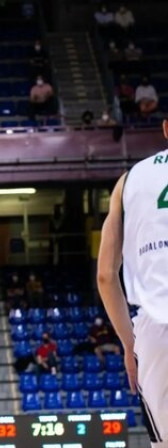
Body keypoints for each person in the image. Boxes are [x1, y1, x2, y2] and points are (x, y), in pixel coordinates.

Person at [97, 119, 168, 448]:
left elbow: (106, 276)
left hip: (156, 327)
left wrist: (130, 345)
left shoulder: (129, 180)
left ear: (166, 129)